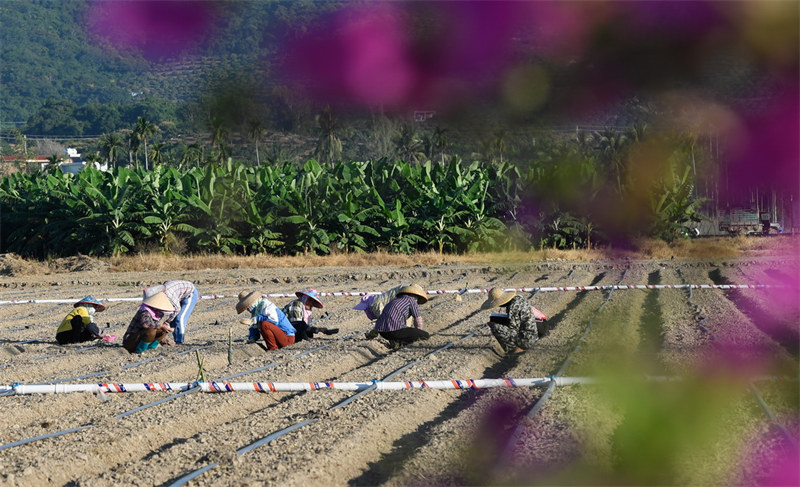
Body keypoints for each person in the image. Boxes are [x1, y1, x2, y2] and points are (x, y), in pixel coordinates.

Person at [480, 287, 548, 356]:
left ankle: (514, 351)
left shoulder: (513, 306)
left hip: (529, 338)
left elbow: (514, 328)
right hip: (534, 329)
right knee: (499, 321)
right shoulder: (517, 299)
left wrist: (495, 325)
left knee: (495, 327)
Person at [373, 283, 430, 349]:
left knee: (404, 331)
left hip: (382, 332)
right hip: (395, 331)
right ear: (415, 295)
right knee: (425, 335)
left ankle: (396, 342)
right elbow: (418, 320)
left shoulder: (395, 300)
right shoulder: (411, 300)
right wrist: (419, 332)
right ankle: (400, 343)